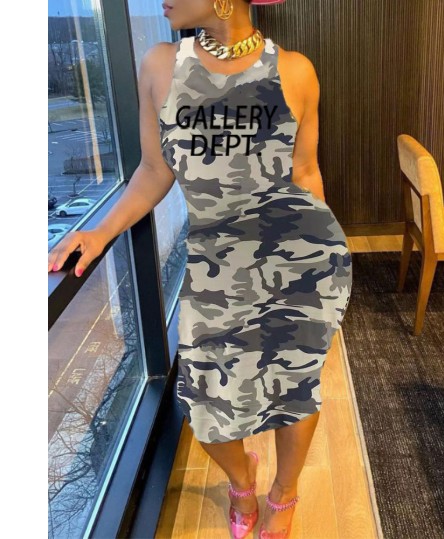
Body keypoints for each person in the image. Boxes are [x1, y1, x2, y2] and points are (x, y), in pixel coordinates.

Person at [48, 0, 353, 537]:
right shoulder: (161, 65)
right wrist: (99, 231)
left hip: (297, 260)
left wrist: (324, 272)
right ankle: (242, 480)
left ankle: (284, 493)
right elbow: (152, 170)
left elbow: (306, 172)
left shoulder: (296, 71)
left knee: (294, 388)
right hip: (214, 268)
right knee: (206, 402)